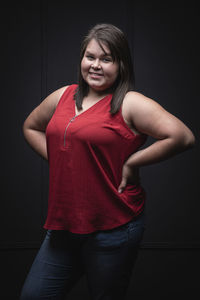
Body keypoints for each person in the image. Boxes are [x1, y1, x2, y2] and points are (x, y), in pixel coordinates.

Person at [20, 23, 195, 300]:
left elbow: (183, 136)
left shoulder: (129, 102)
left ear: (121, 64)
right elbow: (30, 126)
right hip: (63, 228)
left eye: (107, 59)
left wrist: (132, 163)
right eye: (90, 57)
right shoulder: (62, 96)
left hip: (113, 229)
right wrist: (63, 161)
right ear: (81, 60)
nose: (96, 65)